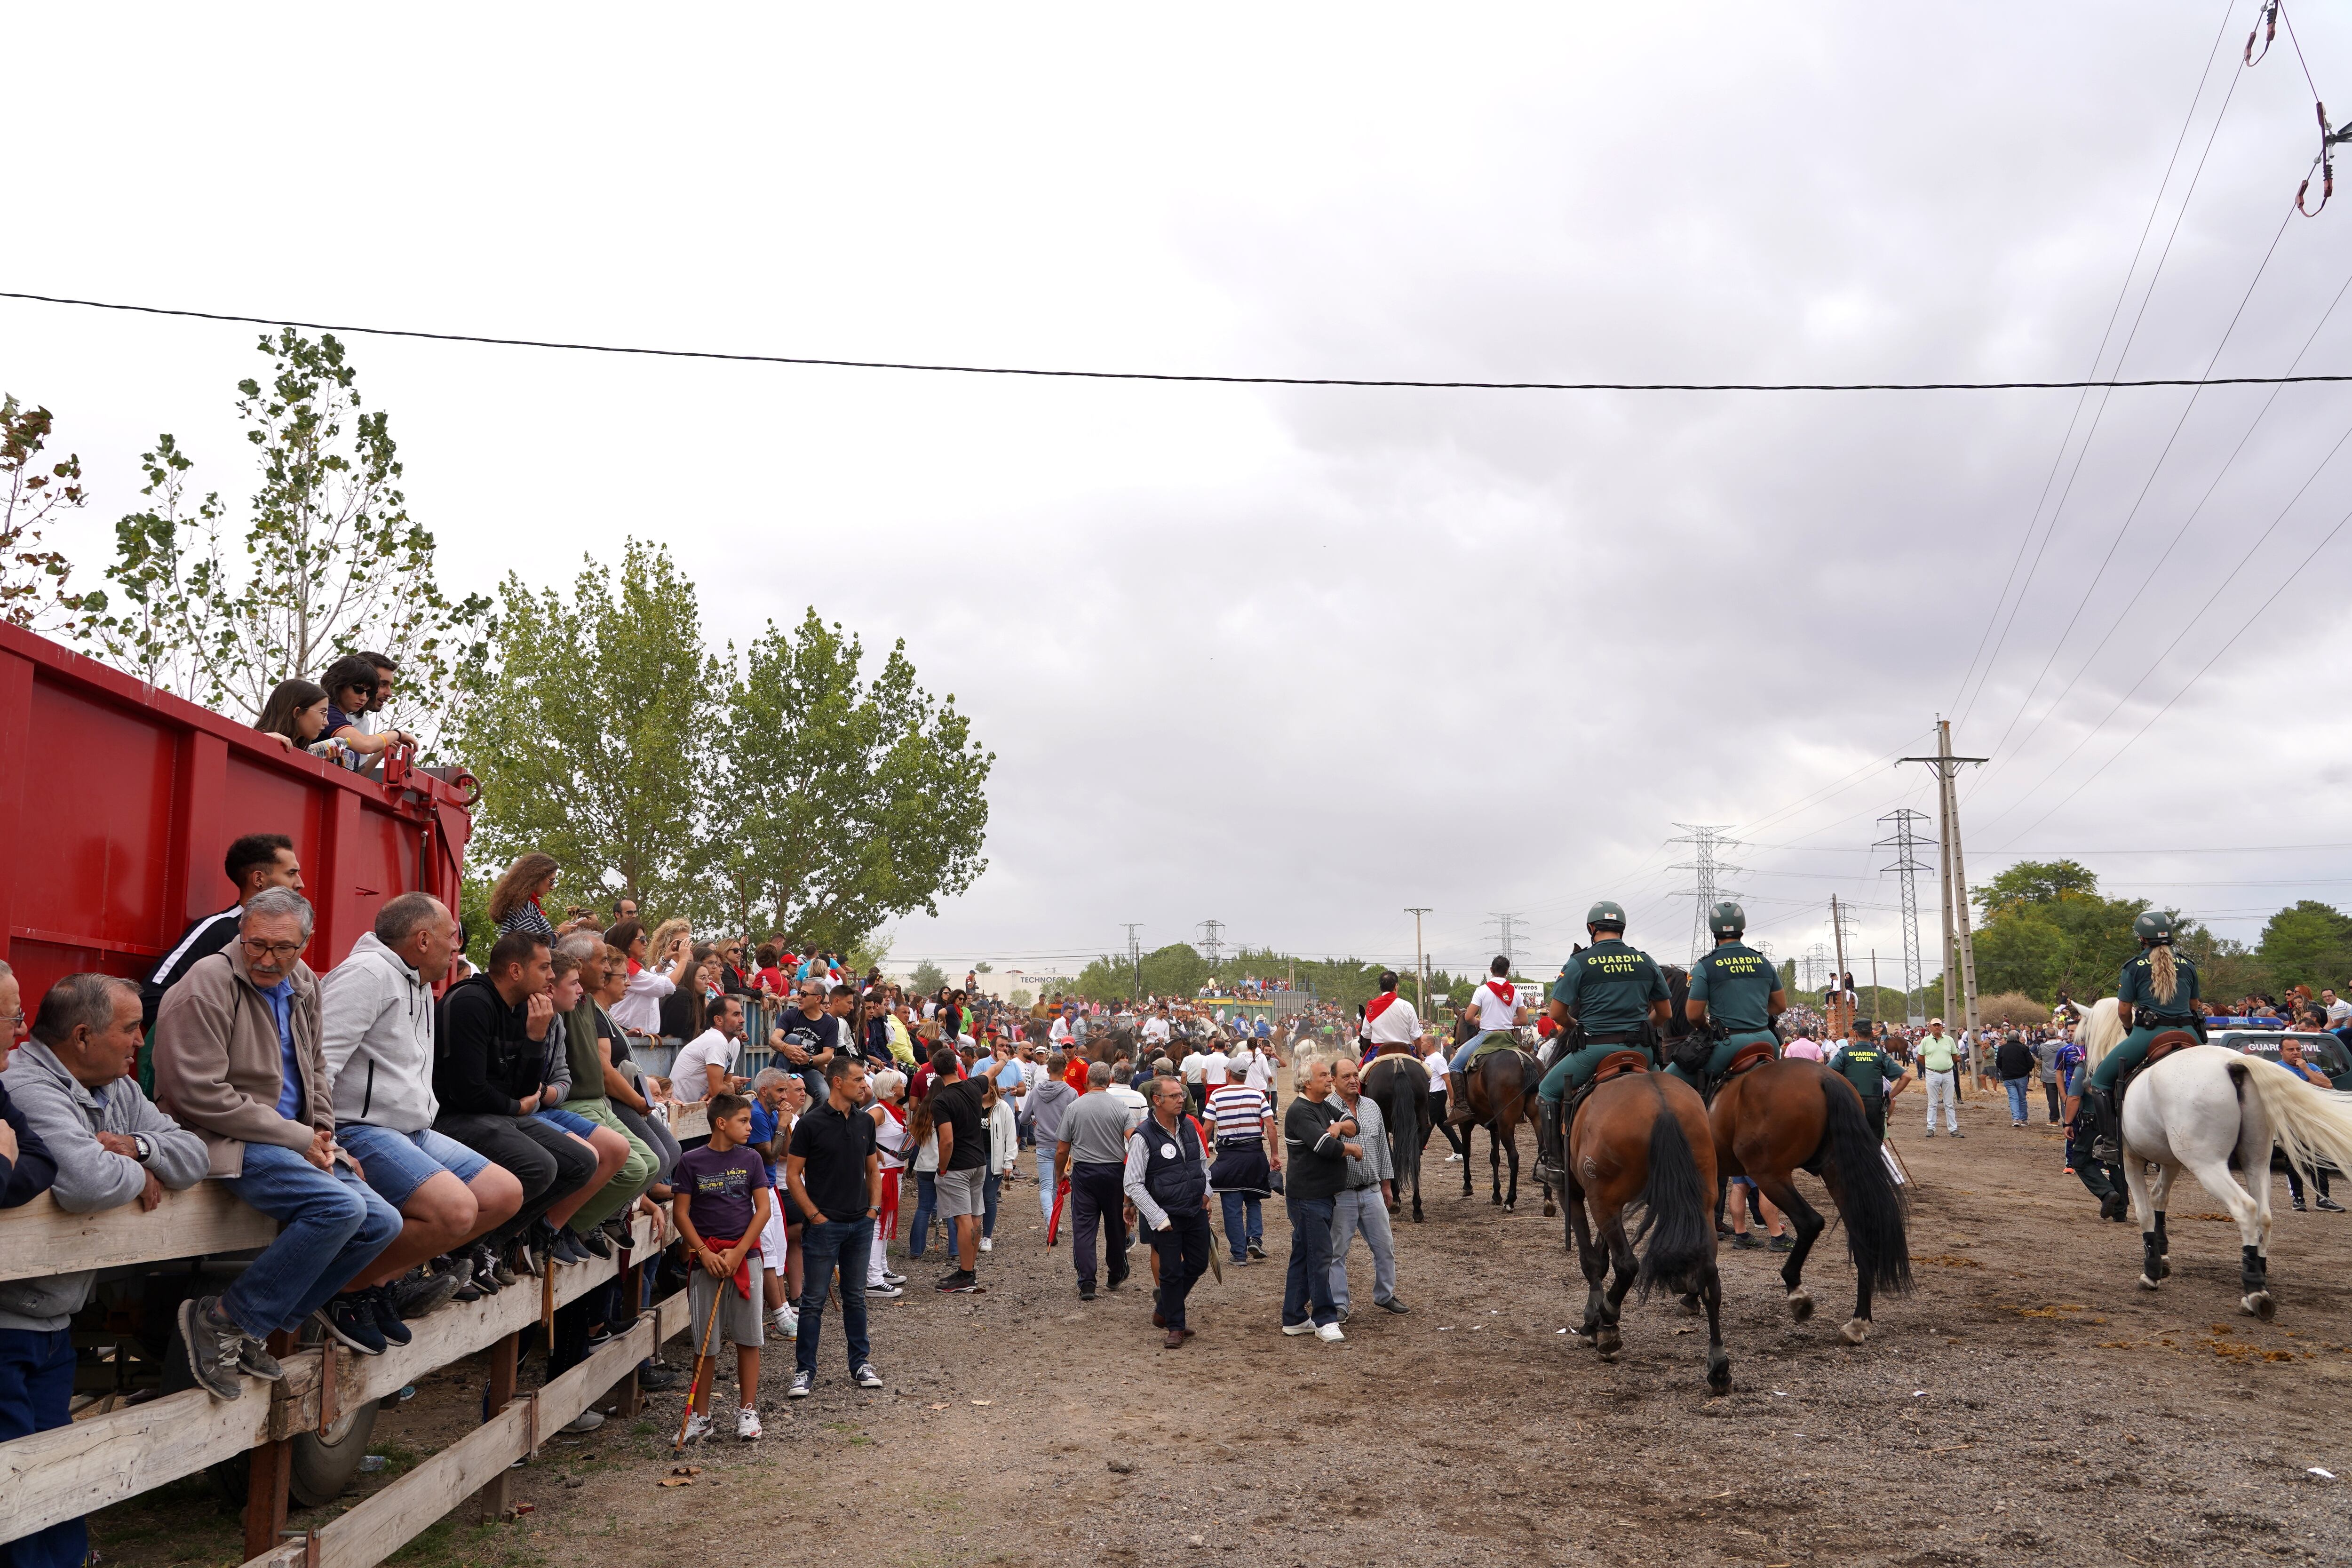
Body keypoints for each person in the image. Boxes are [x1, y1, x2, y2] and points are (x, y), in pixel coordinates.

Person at [152, 889, 405, 1389]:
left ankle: (255, 1327)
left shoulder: (305, 982)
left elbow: (315, 1071)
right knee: (340, 1210)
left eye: (283, 948)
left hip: (291, 1140)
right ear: (241, 935)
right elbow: (197, 1096)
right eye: (256, 945)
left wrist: (327, 1137)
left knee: (382, 1222)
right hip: (224, 1138)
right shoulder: (206, 985)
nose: (268, 959)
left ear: (305, 944)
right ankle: (224, 1320)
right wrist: (297, 1137)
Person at [1, 973, 205, 1567]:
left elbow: (191, 1155)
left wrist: (139, 1150)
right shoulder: (29, 1085)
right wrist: (140, 1175)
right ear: (84, 1035)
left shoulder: (116, 1088)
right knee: (17, 1482)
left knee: (58, 1476)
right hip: (9, 1322)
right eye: (130, 1029)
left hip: (53, 1321)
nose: (140, 1042)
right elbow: (82, 1179)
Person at [322, 893, 524, 1324]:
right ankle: (343, 1289)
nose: (459, 947)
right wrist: (325, 1141)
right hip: (359, 1127)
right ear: (422, 939)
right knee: (456, 1211)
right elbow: (318, 1066)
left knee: (504, 1195)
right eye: (453, 936)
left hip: (410, 1129)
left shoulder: (418, 983)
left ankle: (381, 1281)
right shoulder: (367, 974)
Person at [432, 930, 599, 1279]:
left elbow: (524, 1087)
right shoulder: (471, 1003)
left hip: (497, 1113)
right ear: (515, 970)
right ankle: (455, 1252)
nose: (551, 976)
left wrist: (537, 1037)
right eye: (545, 967)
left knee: (581, 1162)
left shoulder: (524, 1007)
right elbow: (468, 1092)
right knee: (540, 1167)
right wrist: (517, 1108)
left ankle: (490, 1244)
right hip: (454, 1117)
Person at [1534, 902, 1672, 1182]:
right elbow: (1666, 1013)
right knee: (1670, 1097)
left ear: (1591, 928)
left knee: (1547, 1090)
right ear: (1622, 929)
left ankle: (1554, 1163)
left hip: (1594, 1050)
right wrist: (1646, 1027)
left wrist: (1578, 1027)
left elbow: (1559, 1014)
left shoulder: (1579, 963)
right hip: (1641, 1052)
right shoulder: (1646, 961)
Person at [784, 1056, 888, 1397]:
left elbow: (873, 1170)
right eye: (859, 1079)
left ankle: (860, 1363)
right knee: (813, 1301)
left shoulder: (865, 1122)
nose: (865, 1085)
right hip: (824, 1226)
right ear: (838, 1082)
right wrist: (814, 1215)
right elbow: (792, 1175)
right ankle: (804, 1370)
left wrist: (873, 1210)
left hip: (860, 1223)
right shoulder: (811, 1124)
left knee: (855, 1297)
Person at [673, 1092, 771, 1442]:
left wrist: (739, 1252)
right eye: (744, 1120)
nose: (750, 1126)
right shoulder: (691, 1161)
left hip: (746, 1258)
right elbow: (680, 1212)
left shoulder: (752, 1160)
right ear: (721, 1122)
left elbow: (763, 1210)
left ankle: (748, 1410)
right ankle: (701, 1417)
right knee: (706, 1343)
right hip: (706, 1261)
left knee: (749, 1337)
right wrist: (702, 1252)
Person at [140, 833, 308, 1037]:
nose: (300, 884)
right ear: (259, 879)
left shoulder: (294, 937)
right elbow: (152, 997)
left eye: (282, 948)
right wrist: (202, 1050)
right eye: (291, 873)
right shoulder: (215, 929)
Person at [2084, 911, 2203, 1150]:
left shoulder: (2133, 967)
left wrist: (2129, 1028)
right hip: (2190, 1033)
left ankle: (2110, 1143)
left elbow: (2124, 1010)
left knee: (2099, 1081)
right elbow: (2194, 1006)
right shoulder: (2188, 966)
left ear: (2142, 939)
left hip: (2150, 1033)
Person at [1125, 1076, 1213, 1348]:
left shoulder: (1189, 1126)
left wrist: (1206, 1193)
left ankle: (1164, 1308)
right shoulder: (1143, 1136)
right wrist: (1157, 1217)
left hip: (1194, 1208)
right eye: (1174, 1096)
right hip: (1165, 1214)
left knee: (1198, 1263)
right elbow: (1133, 1182)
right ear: (1157, 1100)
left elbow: (1202, 1164)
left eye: (1181, 1095)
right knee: (1171, 1271)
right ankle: (1175, 1325)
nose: (1181, 1099)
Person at [1668, 903, 1784, 1091]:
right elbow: (1780, 1005)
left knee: (1664, 1083)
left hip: (1729, 1044)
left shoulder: (1706, 965)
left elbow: (1693, 1015)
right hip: (1767, 1041)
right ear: (1742, 929)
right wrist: (1757, 1012)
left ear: (1714, 931)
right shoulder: (1763, 962)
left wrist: (1706, 1027)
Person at [1281, 1056, 1353, 1343]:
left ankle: (1295, 1318)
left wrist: (1338, 1127)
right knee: (1320, 1257)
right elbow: (1325, 1148)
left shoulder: (1325, 1106)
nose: (1330, 1079)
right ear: (1307, 1082)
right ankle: (1325, 1318)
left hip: (1320, 1196)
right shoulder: (1301, 1111)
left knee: (1303, 1255)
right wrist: (1351, 1149)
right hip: (1308, 1198)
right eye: (1324, 1075)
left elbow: (1351, 1121)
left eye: (1329, 1075)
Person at [1327, 1056, 1405, 1317]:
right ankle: (1339, 1304)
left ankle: (1385, 1294)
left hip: (1372, 1191)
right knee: (1337, 1252)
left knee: (1385, 1247)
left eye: (1356, 1075)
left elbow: (1383, 1148)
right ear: (1333, 1080)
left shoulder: (1372, 1106)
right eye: (1346, 1076)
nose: (1353, 1080)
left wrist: (1387, 1187)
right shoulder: (1325, 1108)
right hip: (1342, 1194)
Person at [1055, 1062, 1132, 1301]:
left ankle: (1087, 1282)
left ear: (1087, 1079)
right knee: (1116, 1225)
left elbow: (1062, 1150)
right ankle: (1116, 1272)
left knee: (1084, 1228)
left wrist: (1060, 1174)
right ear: (1109, 1080)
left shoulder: (1075, 1107)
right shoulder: (1121, 1108)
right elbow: (1135, 1140)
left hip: (1085, 1173)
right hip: (1114, 1173)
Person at [925, 1048, 989, 1293]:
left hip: (958, 1166)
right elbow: (992, 1072)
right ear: (956, 1065)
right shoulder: (974, 1086)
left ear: (935, 1070)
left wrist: (942, 1168)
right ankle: (968, 1271)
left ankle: (966, 1274)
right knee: (975, 1217)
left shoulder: (941, 1101)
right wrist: (1003, 1059)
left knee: (963, 1219)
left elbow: (947, 1141)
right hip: (978, 1162)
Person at [1207, 1067, 1278, 1264]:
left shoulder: (1217, 1095)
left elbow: (1208, 1127)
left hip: (1229, 1157)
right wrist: (1275, 1155)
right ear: (1245, 1076)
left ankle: (1239, 1254)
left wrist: (1201, 1155)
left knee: (1232, 1206)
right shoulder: (1257, 1094)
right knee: (1254, 1200)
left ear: (1228, 1074)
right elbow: (1271, 1126)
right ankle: (1255, 1239)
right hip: (1254, 1155)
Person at [2277, 1039, 2344, 1211]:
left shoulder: (2311, 1068)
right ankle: (2298, 1199)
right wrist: (2311, 1085)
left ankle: (2323, 1199)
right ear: (2281, 1052)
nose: (2295, 1053)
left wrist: (2306, 1070)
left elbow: (2328, 1086)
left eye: (2298, 1049)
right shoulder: (2277, 1069)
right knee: (2294, 1160)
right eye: (2290, 1050)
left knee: (2319, 1159)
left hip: (2313, 1120)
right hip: (2289, 1121)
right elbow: (2288, 1092)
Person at [1448, 956, 1526, 1078]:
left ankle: (1459, 1098)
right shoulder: (1516, 993)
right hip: (1508, 1036)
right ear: (1507, 971)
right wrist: (1504, 1020)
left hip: (1486, 1036)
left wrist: (1478, 1022)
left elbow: (1468, 1017)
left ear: (1491, 970)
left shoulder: (1482, 990)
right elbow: (1524, 1020)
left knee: (1454, 1066)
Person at [1026, 1052, 1078, 1224]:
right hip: (1064, 1146)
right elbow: (1075, 1121)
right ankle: (1054, 1223)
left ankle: (1051, 1223)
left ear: (1047, 1070)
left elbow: (1024, 1119)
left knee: (1046, 1187)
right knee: (1057, 1186)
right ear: (1065, 1070)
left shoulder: (1035, 1091)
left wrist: (1035, 1119)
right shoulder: (1071, 1093)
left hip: (1043, 1145)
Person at [1827, 1018, 1896, 1142]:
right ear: (1871, 1034)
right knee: (1875, 1146)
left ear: (1855, 1034)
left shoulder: (1845, 1053)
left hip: (1851, 1103)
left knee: (1850, 1143)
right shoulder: (1879, 1055)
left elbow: (1827, 1073)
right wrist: (1891, 1096)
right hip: (1875, 1105)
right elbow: (1906, 1077)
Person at [672, 993, 749, 1104]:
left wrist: (721, 1090)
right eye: (736, 1015)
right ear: (718, 1020)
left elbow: (723, 1087)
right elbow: (719, 1090)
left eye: (741, 1014)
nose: (742, 1020)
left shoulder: (735, 1044)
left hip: (701, 1107)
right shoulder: (715, 1040)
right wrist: (730, 1088)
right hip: (680, 1108)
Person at [776, 978, 843, 1102]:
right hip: (783, 1065)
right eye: (799, 993)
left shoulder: (830, 1023)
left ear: (818, 999)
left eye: (804, 994)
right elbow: (774, 1040)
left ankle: (807, 1121)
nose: (799, 997)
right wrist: (787, 1048)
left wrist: (809, 1060)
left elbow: (828, 1055)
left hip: (808, 1068)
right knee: (793, 1038)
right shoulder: (791, 1014)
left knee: (824, 1094)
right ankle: (780, 1078)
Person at [254, 678, 346, 761]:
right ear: (297, 712)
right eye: (322, 713)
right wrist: (262, 741)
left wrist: (316, 767)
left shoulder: (300, 753)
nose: (327, 723)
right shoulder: (256, 740)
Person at [488, 852, 561, 941]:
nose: (552, 888)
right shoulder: (525, 907)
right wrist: (559, 933)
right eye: (551, 881)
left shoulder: (521, 905)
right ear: (536, 878)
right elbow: (535, 949)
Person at [1917, 1018, 1963, 1138]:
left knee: (1950, 1103)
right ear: (1930, 1027)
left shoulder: (1949, 1040)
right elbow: (1920, 1057)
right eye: (1935, 1025)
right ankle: (1931, 1128)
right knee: (1932, 1103)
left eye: (1939, 1025)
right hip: (1933, 1073)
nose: (1937, 1027)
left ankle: (1953, 1129)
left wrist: (1945, 1064)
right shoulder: (1926, 1041)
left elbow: (1955, 1056)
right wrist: (1930, 1066)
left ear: (1942, 1027)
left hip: (1948, 1073)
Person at [1995, 1032, 2038, 1128]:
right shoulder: (2024, 1048)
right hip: (2022, 1076)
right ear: (2018, 1038)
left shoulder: (2002, 1049)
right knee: (2022, 1098)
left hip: (2008, 1077)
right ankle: (2024, 1119)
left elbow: (1998, 1063)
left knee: (2013, 1098)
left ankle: (2016, 1119)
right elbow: (2031, 1062)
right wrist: (2027, 1070)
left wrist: (2005, 1071)